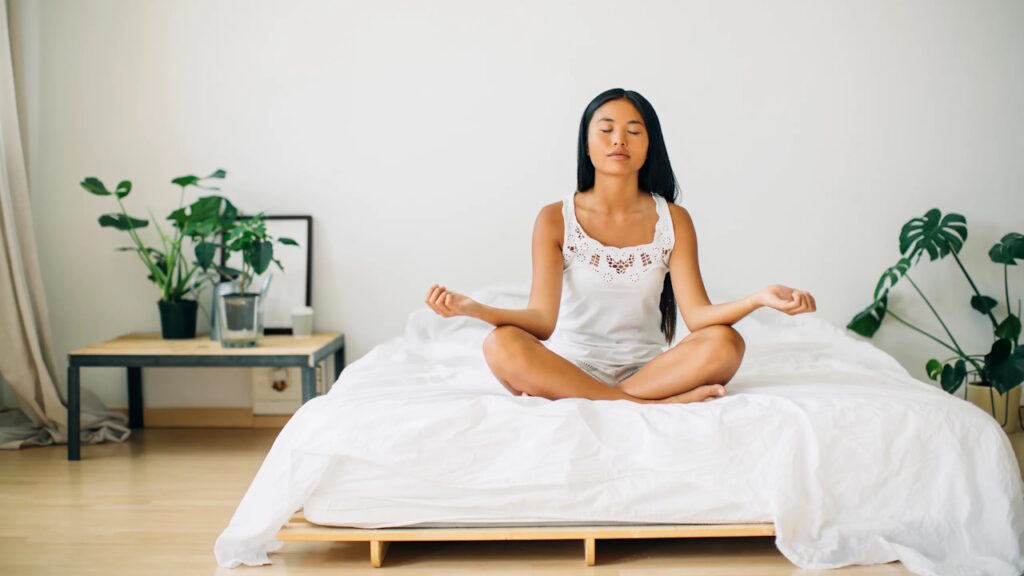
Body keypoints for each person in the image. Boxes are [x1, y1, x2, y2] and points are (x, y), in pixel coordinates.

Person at [424, 88, 816, 404]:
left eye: (634, 131)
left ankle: (614, 397)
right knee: (501, 345)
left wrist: (760, 298)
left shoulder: (674, 220)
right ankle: (643, 404)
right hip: (568, 368)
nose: (619, 140)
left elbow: (698, 317)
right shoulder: (553, 218)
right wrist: (472, 309)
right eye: (606, 129)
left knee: (727, 343)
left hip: (650, 373)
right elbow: (542, 321)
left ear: (649, 147)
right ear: (588, 145)